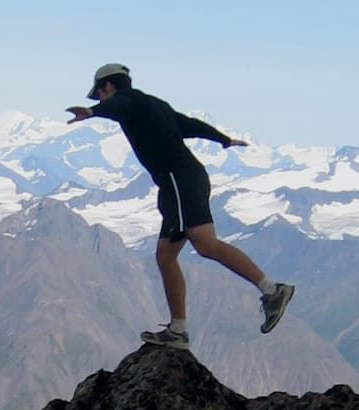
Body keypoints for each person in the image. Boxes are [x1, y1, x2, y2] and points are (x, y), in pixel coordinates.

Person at [66, 63, 294, 350]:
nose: (99, 99)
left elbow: (119, 105)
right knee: (165, 255)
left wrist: (92, 113)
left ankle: (273, 291)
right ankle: (178, 331)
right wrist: (223, 139)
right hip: (182, 182)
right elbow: (189, 125)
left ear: (108, 87)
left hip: (179, 180)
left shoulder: (130, 101)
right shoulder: (154, 106)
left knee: (206, 245)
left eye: (99, 94)